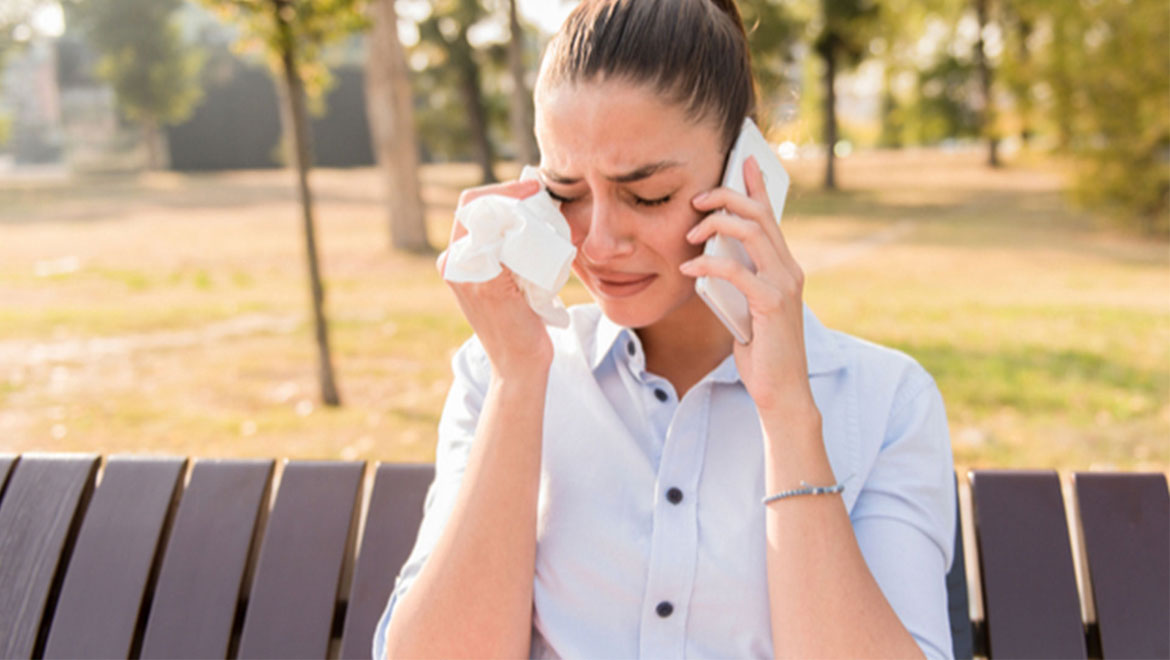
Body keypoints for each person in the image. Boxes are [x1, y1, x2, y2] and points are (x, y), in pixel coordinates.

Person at [373, 0, 956, 657]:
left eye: (645, 195)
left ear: (747, 171)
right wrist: (518, 383)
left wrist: (789, 416)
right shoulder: (497, 374)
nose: (598, 242)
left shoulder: (885, 402)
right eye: (567, 192)